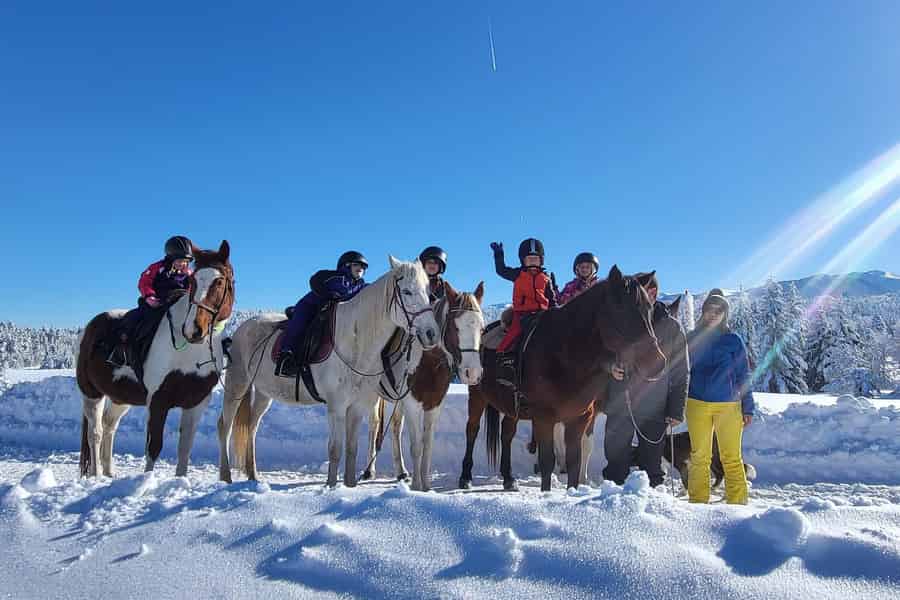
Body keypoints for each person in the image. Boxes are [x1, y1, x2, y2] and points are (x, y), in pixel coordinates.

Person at [602, 272, 689, 487]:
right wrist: (609, 367)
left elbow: (681, 370)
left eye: (651, 289)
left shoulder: (671, 326)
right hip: (620, 402)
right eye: (642, 289)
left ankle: (654, 512)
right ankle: (610, 509)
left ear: (655, 292)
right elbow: (600, 354)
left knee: (652, 464)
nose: (648, 293)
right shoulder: (619, 321)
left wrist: (676, 409)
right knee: (615, 461)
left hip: (654, 405)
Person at [685, 288, 755, 504]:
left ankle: (738, 504)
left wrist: (748, 406)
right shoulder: (691, 338)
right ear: (703, 312)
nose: (713, 314)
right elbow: (677, 370)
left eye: (719, 310)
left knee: (731, 458)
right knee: (699, 458)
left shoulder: (733, 340)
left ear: (725, 314)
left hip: (728, 406)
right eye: (709, 310)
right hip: (696, 403)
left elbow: (744, 373)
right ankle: (697, 505)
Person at [275, 251, 369, 377]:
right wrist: (327, 294)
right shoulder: (334, 277)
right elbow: (315, 279)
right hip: (310, 306)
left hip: (329, 313)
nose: (361, 269)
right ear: (346, 265)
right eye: (357, 265)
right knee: (299, 325)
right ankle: (286, 355)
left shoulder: (360, 285)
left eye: (363, 267)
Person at [107, 236, 194, 367]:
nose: (183, 264)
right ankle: (121, 350)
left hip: (177, 304)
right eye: (180, 260)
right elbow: (144, 282)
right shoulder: (157, 267)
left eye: (186, 261)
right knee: (133, 318)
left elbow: (193, 290)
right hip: (156, 303)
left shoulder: (189, 274)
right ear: (171, 257)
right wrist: (149, 296)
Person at [490, 238, 557, 387]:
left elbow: (552, 299)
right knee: (514, 334)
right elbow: (501, 270)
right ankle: (505, 362)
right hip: (522, 315)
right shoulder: (517, 274)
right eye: (529, 259)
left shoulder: (546, 279)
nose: (533, 262)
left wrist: (557, 312)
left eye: (536, 259)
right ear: (522, 261)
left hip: (543, 315)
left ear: (542, 260)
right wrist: (499, 256)